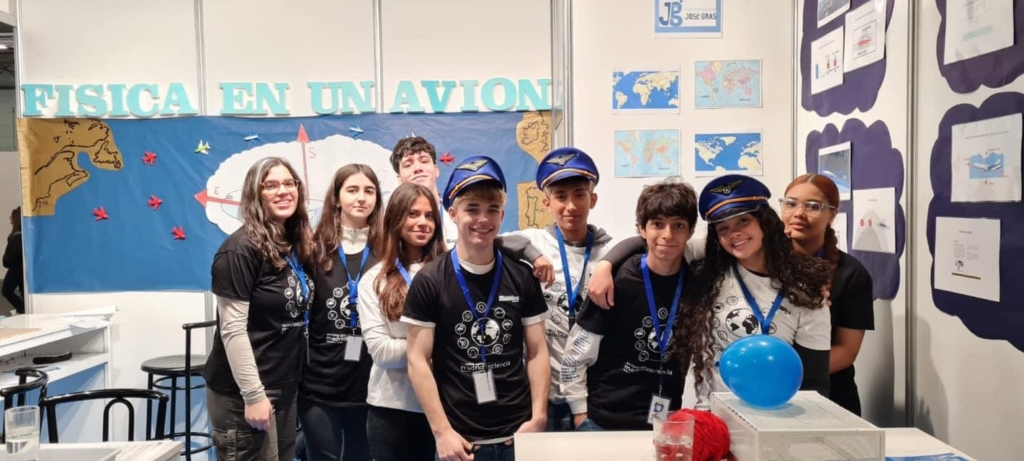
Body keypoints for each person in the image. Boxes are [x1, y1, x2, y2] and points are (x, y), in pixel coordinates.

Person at [403, 156, 549, 461]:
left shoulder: (522, 276)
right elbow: (417, 360)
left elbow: (537, 351)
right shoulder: (430, 280)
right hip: (461, 443)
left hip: (518, 437)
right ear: (453, 214)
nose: (483, 219)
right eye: (472, 209)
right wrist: (442, 432)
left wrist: (539, 417)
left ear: (502, 215)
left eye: (492, 209)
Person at [561, 180, 714, 431]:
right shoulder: (616, 280)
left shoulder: (696, 283)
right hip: (603, 421)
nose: (668, 235)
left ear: (690, 231)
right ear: (641, 229)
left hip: (665, 422)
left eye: (678, 225)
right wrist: (580, 413)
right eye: (658, 224)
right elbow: (577, 353)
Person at [205, 157, 315, 461]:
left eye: (289, 183)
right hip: (244, 393)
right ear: (256, 194)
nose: (283, 191)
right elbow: (232, 330)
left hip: (284, 386)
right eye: (271, 185)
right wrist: (253, 395)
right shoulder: (238, 250)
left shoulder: (292, 244)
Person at [501, 147, 614, 431]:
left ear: (593, 199)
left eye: (579, 195)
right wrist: (531, 254)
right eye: (561, 197)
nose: (571, 206)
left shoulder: (608, 253)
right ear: (546, 202)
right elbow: (489, 240)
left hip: (593, 397)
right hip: (541, 397)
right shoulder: (535, 241)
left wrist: (607, 265)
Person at [692, 174, 833, 398]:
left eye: (743, 221)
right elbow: (655, 245)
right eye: (723, 228)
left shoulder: (806, 292)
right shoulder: (706, 276)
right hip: (713, 410)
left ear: (764, 222)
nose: (734, 233)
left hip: (776, 411)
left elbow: (815, 381)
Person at [300, 164, 383, 461]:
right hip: (319, 383)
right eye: (352, 190)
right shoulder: (313, 249)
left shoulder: (388, 250)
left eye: (369, 191)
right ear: (336, 198)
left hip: (369, 384)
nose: (361, 198)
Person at [360, 182, 448, 461]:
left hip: (450, 405)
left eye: (429, 215)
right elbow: (381, 353)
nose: (423, 222)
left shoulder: (452, 271)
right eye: (413, 214)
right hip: (394, 410)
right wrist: (439, 345)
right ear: (396, 218)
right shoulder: (374, 280)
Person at [782, 174, 874, 415]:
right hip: (764, 393)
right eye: (790, 203)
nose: (798, 213)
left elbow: (847, 351)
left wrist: (787, 376)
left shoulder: (851, 273)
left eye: (813, 206)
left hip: (829, 398)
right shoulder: (762, 263)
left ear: (832, 214)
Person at [388, 136, 460, 249]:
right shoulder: (390, 226)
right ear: (399, 179)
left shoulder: (459, 220)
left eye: (424, 161)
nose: (417, 168)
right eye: (408, 165)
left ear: (436, 170)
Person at [2, 207, 23, 314]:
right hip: (16, 269)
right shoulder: (17, 235)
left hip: (15, 269)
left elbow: (12, 255)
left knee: (6, 290)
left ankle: (22, 309)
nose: (10, 219)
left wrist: (7, 261)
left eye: (11, 217)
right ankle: (22, 308)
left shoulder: (17, 236)